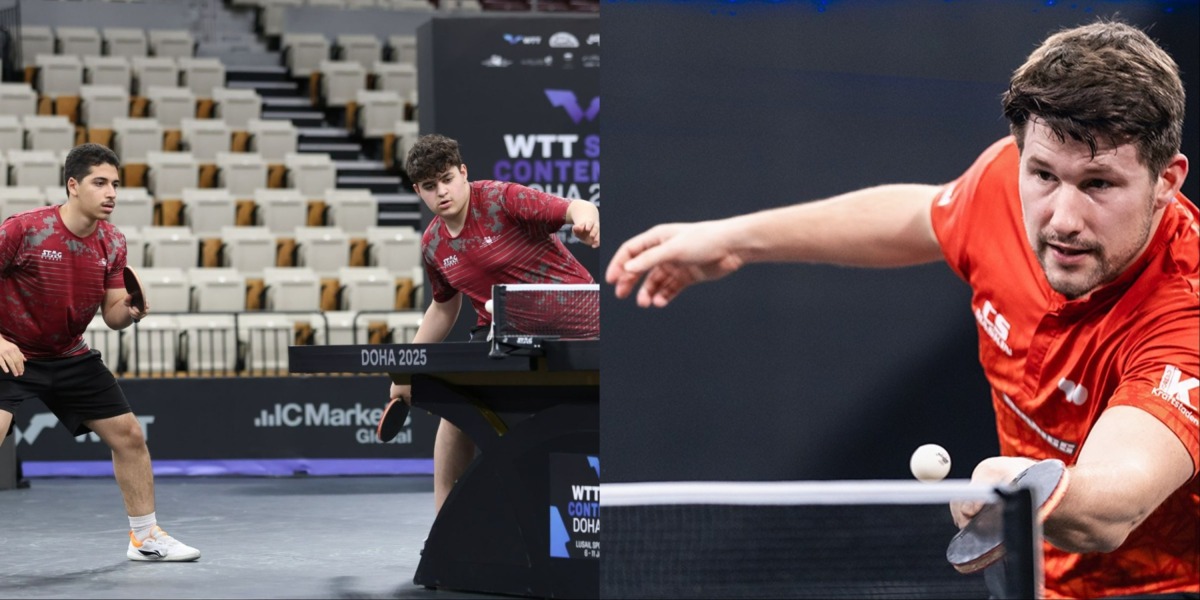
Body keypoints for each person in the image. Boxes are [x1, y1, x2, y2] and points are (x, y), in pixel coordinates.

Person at [606, 20, 1196, 599]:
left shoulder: (1185, 311)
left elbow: (1115, 502)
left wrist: (1020, 485)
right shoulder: (1002, 186)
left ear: (1166, 181)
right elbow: (920, 218)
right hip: (1033, 573)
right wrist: (734, 239)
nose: (1062, 219)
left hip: (1161, 586)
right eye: (1043, 174)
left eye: (1098, 185)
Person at [0, 143, 200, 562]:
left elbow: (111, 315)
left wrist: (130, 310)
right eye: (99, 182)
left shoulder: (112, 241)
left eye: (115, 184)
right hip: (10, 350)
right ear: (73, 185)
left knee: (129, 436)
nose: (111, 192)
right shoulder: (25, 229)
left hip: (69, 354)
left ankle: (145, 539)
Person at [390, 133, 600, 512]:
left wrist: (585, 220)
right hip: (507, 338)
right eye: (430, 186)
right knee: (456, 409)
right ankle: (443, 527)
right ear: (418, 190)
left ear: (463, 172)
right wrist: (404, 369)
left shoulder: (501, 200)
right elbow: (442, 308)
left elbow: (575, 207)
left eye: (448, 179)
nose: (442, 192)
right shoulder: (433, 244)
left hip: (576, 327)